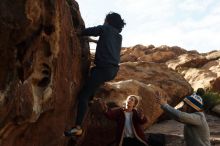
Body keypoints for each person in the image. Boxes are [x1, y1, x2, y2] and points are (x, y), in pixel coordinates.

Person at [64, 12, 126, 137]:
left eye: (105, 20)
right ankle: (91, 100)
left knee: (82, 96)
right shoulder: (118, 36)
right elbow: (108, 44)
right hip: (112, 71)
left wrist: (79, 33)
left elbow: (92, 30)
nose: (104, 22)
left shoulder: (105, 28)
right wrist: (94, 41)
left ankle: (78, 127)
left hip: (103, 69)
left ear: (108, 21)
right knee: (93, 73)